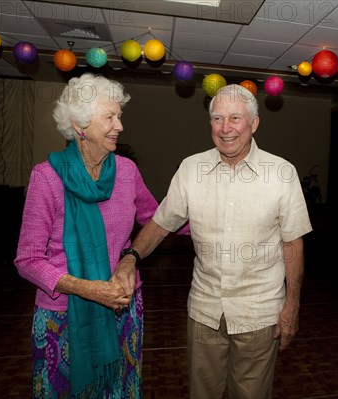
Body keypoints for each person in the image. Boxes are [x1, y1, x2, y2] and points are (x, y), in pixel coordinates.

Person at [114, 84, 313, 399]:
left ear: (254, 123)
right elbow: (161, 223)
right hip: (204, 312)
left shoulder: (281, 174)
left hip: (259, 314)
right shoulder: (192, 169)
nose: (226, 128)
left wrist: (292, 306)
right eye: (218, 119)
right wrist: (130, 258)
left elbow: (293, 245)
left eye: (235, 118)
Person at [14, 73, 159, 397]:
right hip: (63, 316)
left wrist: (211, 220)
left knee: (120, 389)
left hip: (123, 307)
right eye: (110, 117)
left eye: (119, 116)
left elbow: (156, 218)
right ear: (80, 125)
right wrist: (89, 289)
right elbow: (28, 260)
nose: (119, 126)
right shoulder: (47, 177)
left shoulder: (126, 171)